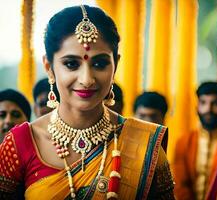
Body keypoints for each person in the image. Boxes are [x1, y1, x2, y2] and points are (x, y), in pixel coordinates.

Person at [0, 5, 174, 199]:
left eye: (99, 64)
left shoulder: (144, 145)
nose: (87, 79)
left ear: (115, 65)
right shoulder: (20, 143)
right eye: (71, 64)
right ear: (49, 67)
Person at [173, 81, 217, 200]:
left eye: (215, 103)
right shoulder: (184, 141)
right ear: (196, 108)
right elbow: (179, 184)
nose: (208, 109)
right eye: (203, 102)